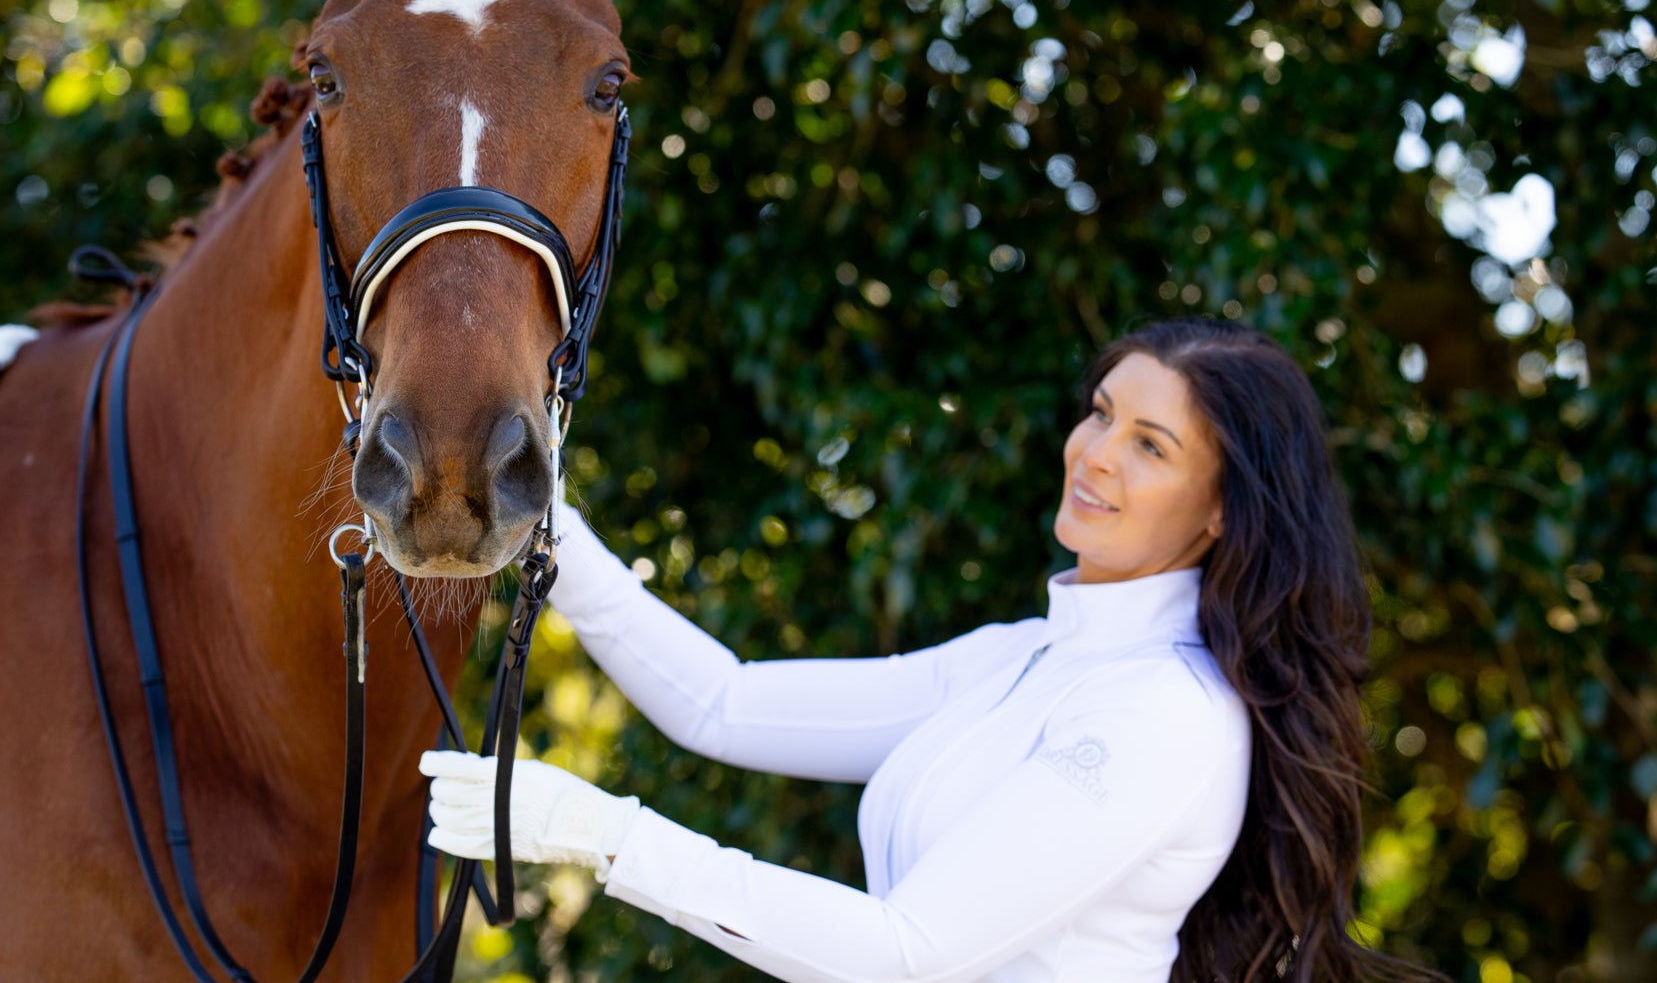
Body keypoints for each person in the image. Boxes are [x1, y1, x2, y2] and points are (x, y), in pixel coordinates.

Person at [422, 319, 1436, 982]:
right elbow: (723, 704)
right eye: (1100, 413)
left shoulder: (1163, 714)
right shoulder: (1025, 657)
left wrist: (605, 833)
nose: (1093, 454)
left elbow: (906, 953)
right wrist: (545, 525)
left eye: (1149, 444)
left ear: (1219, 513)